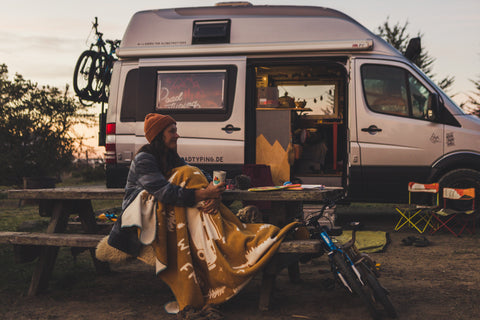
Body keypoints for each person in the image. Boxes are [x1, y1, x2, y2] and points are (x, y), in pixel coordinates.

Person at [103, 113, 297, 320]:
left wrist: (215, 193)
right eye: (172, 131)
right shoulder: (144, 159)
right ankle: (228, 237)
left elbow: (201, 177)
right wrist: (204, 194)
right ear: (159, 135)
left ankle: (224, 235)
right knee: (186, 174)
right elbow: (164, 192)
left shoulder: (170, 157)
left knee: (190, 173)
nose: (177, 136)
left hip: (169, 209)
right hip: (140, 218)